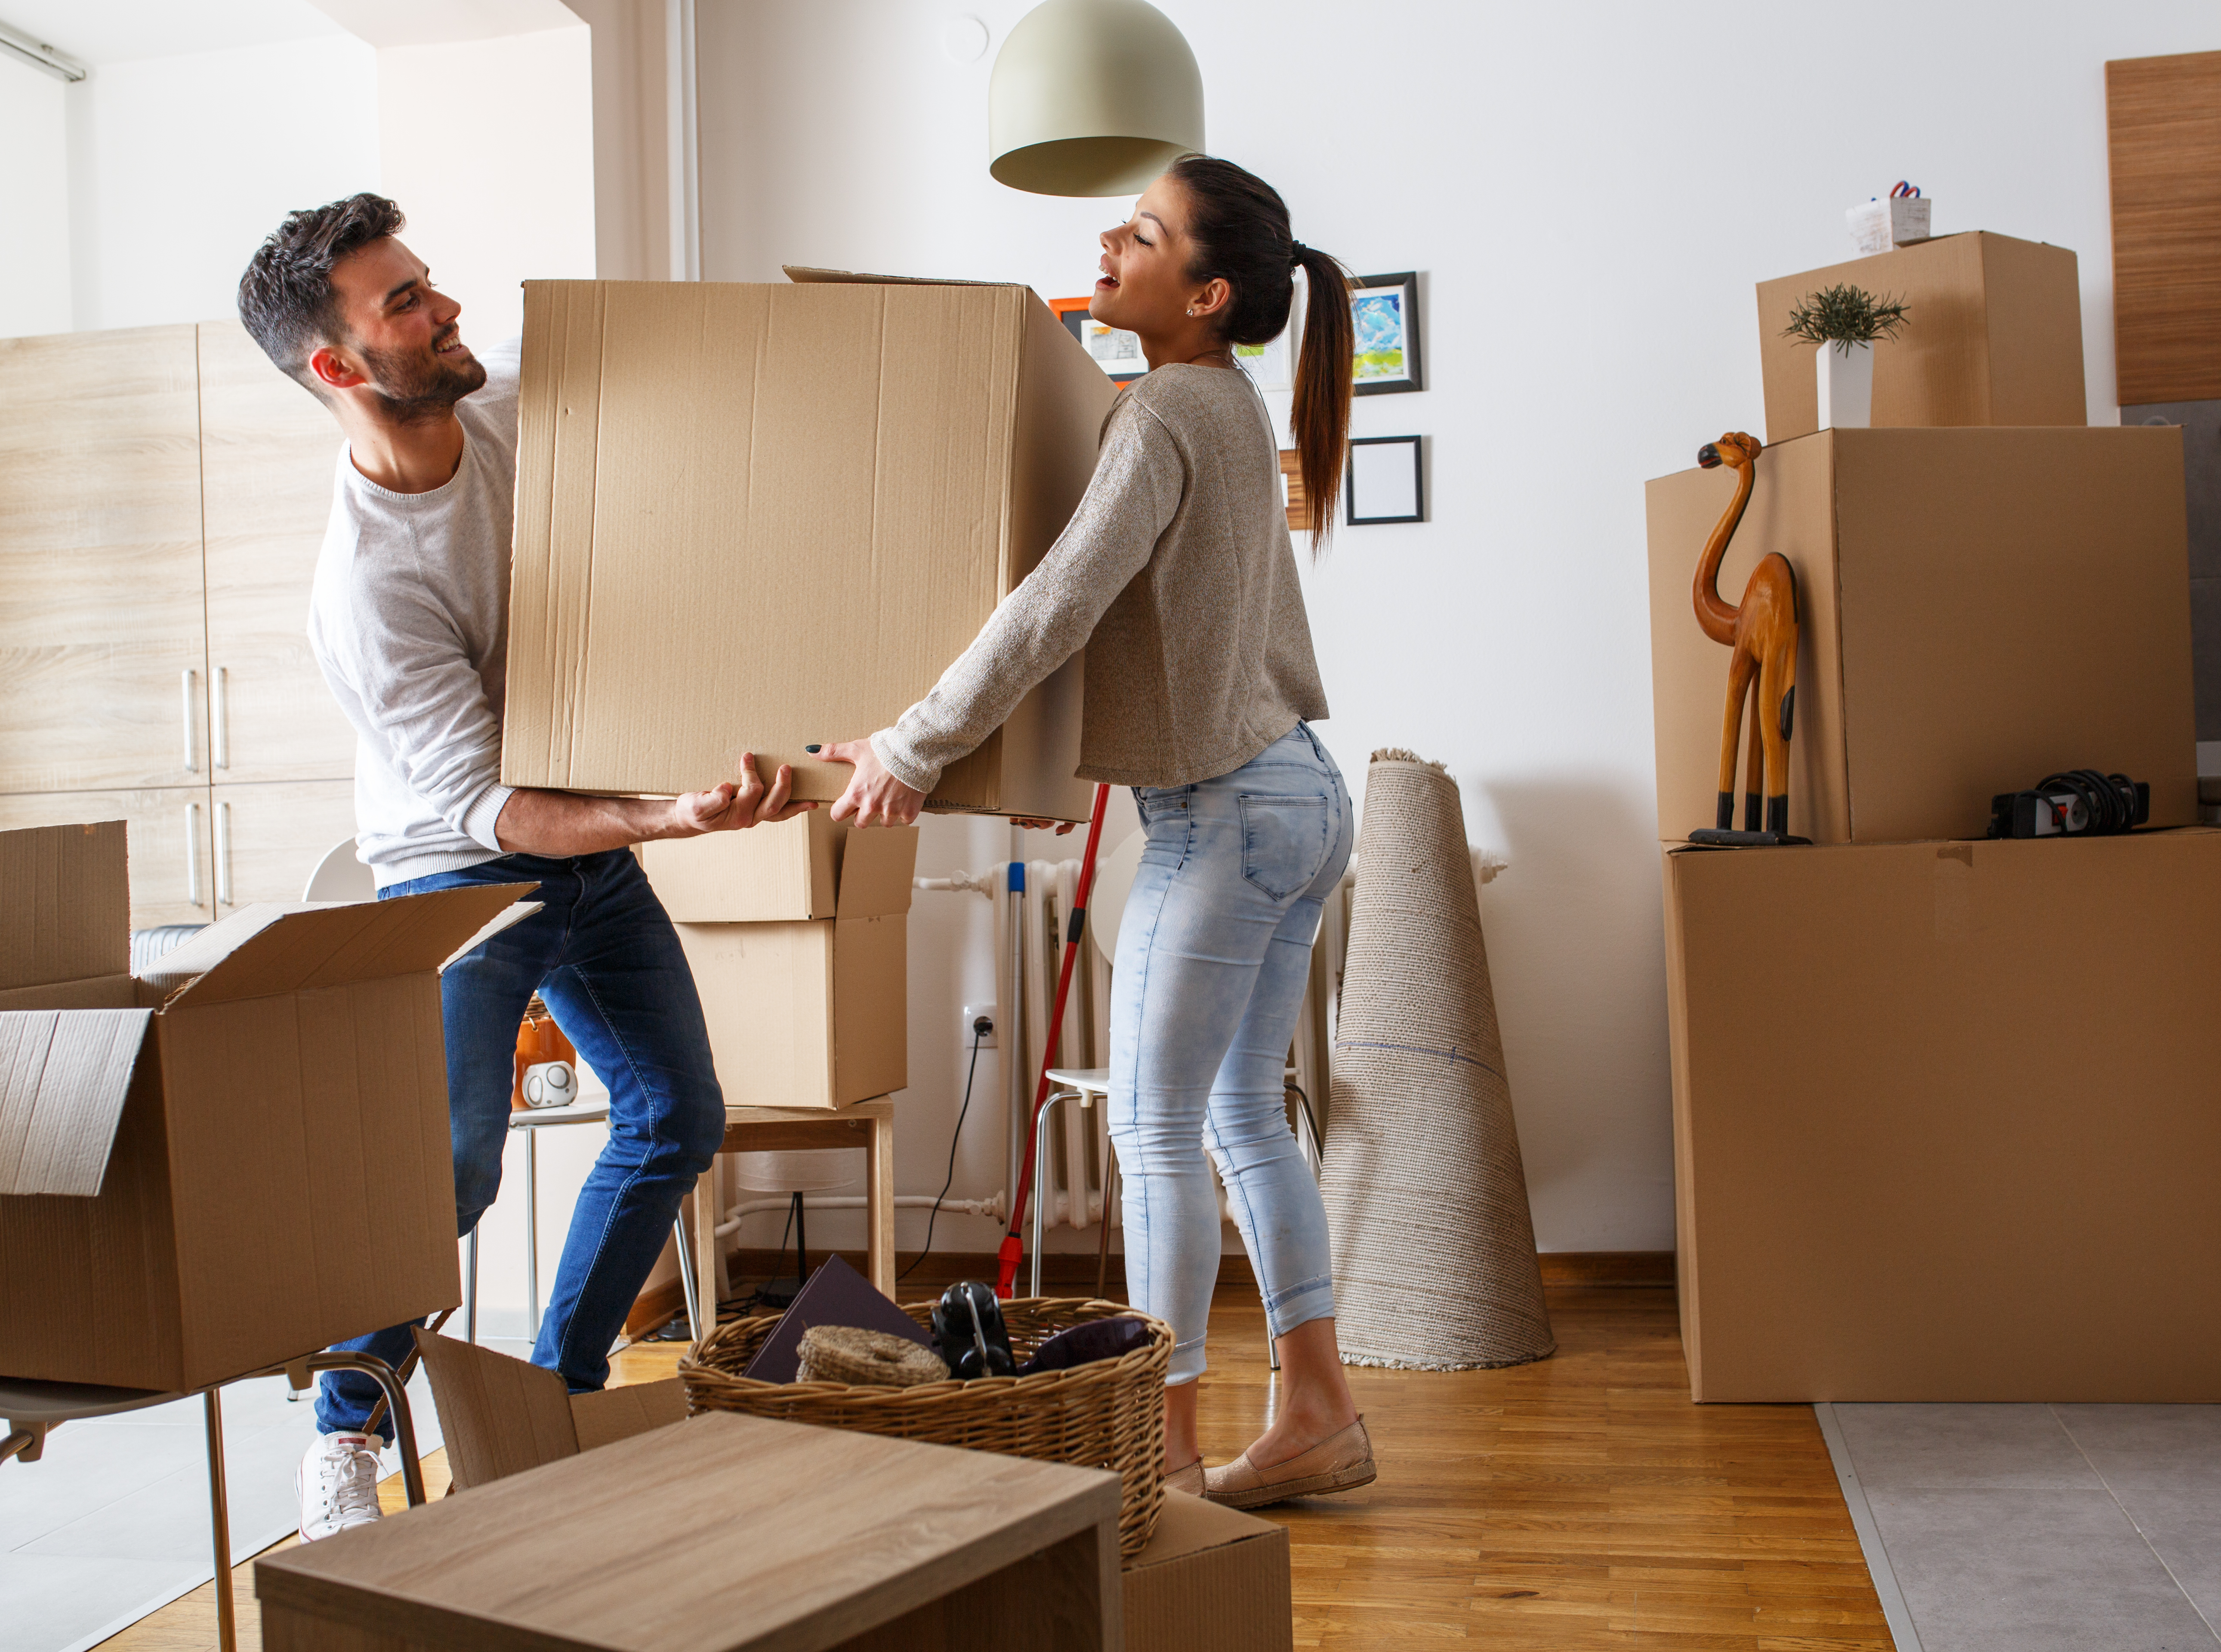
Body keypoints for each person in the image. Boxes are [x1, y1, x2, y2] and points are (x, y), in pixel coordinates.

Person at [237, 194, 807, 1542]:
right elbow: (494, 809)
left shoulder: (501, 417)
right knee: (449, 1171)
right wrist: (669, 818)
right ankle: (344, 1433)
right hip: (459, 878)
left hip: (590, 861)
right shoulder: (367, 588)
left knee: (676, 1115)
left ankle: (553, 1400)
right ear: (337, 367)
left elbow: (659, 392)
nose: (444, 312)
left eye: (430, 285)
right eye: (405, 306)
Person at [817, 156, 1372, 1510]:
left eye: (1142, 233)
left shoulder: (1169, 408)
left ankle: (1165, 1459)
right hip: (1298, 794)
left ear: (1210, 290)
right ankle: (1319, 1417)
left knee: (1158, 1134)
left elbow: (1056, 602)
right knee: (1242, 1112)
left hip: (1228, 814)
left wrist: (914, 745)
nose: (1108, 243)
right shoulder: (1223, 402)